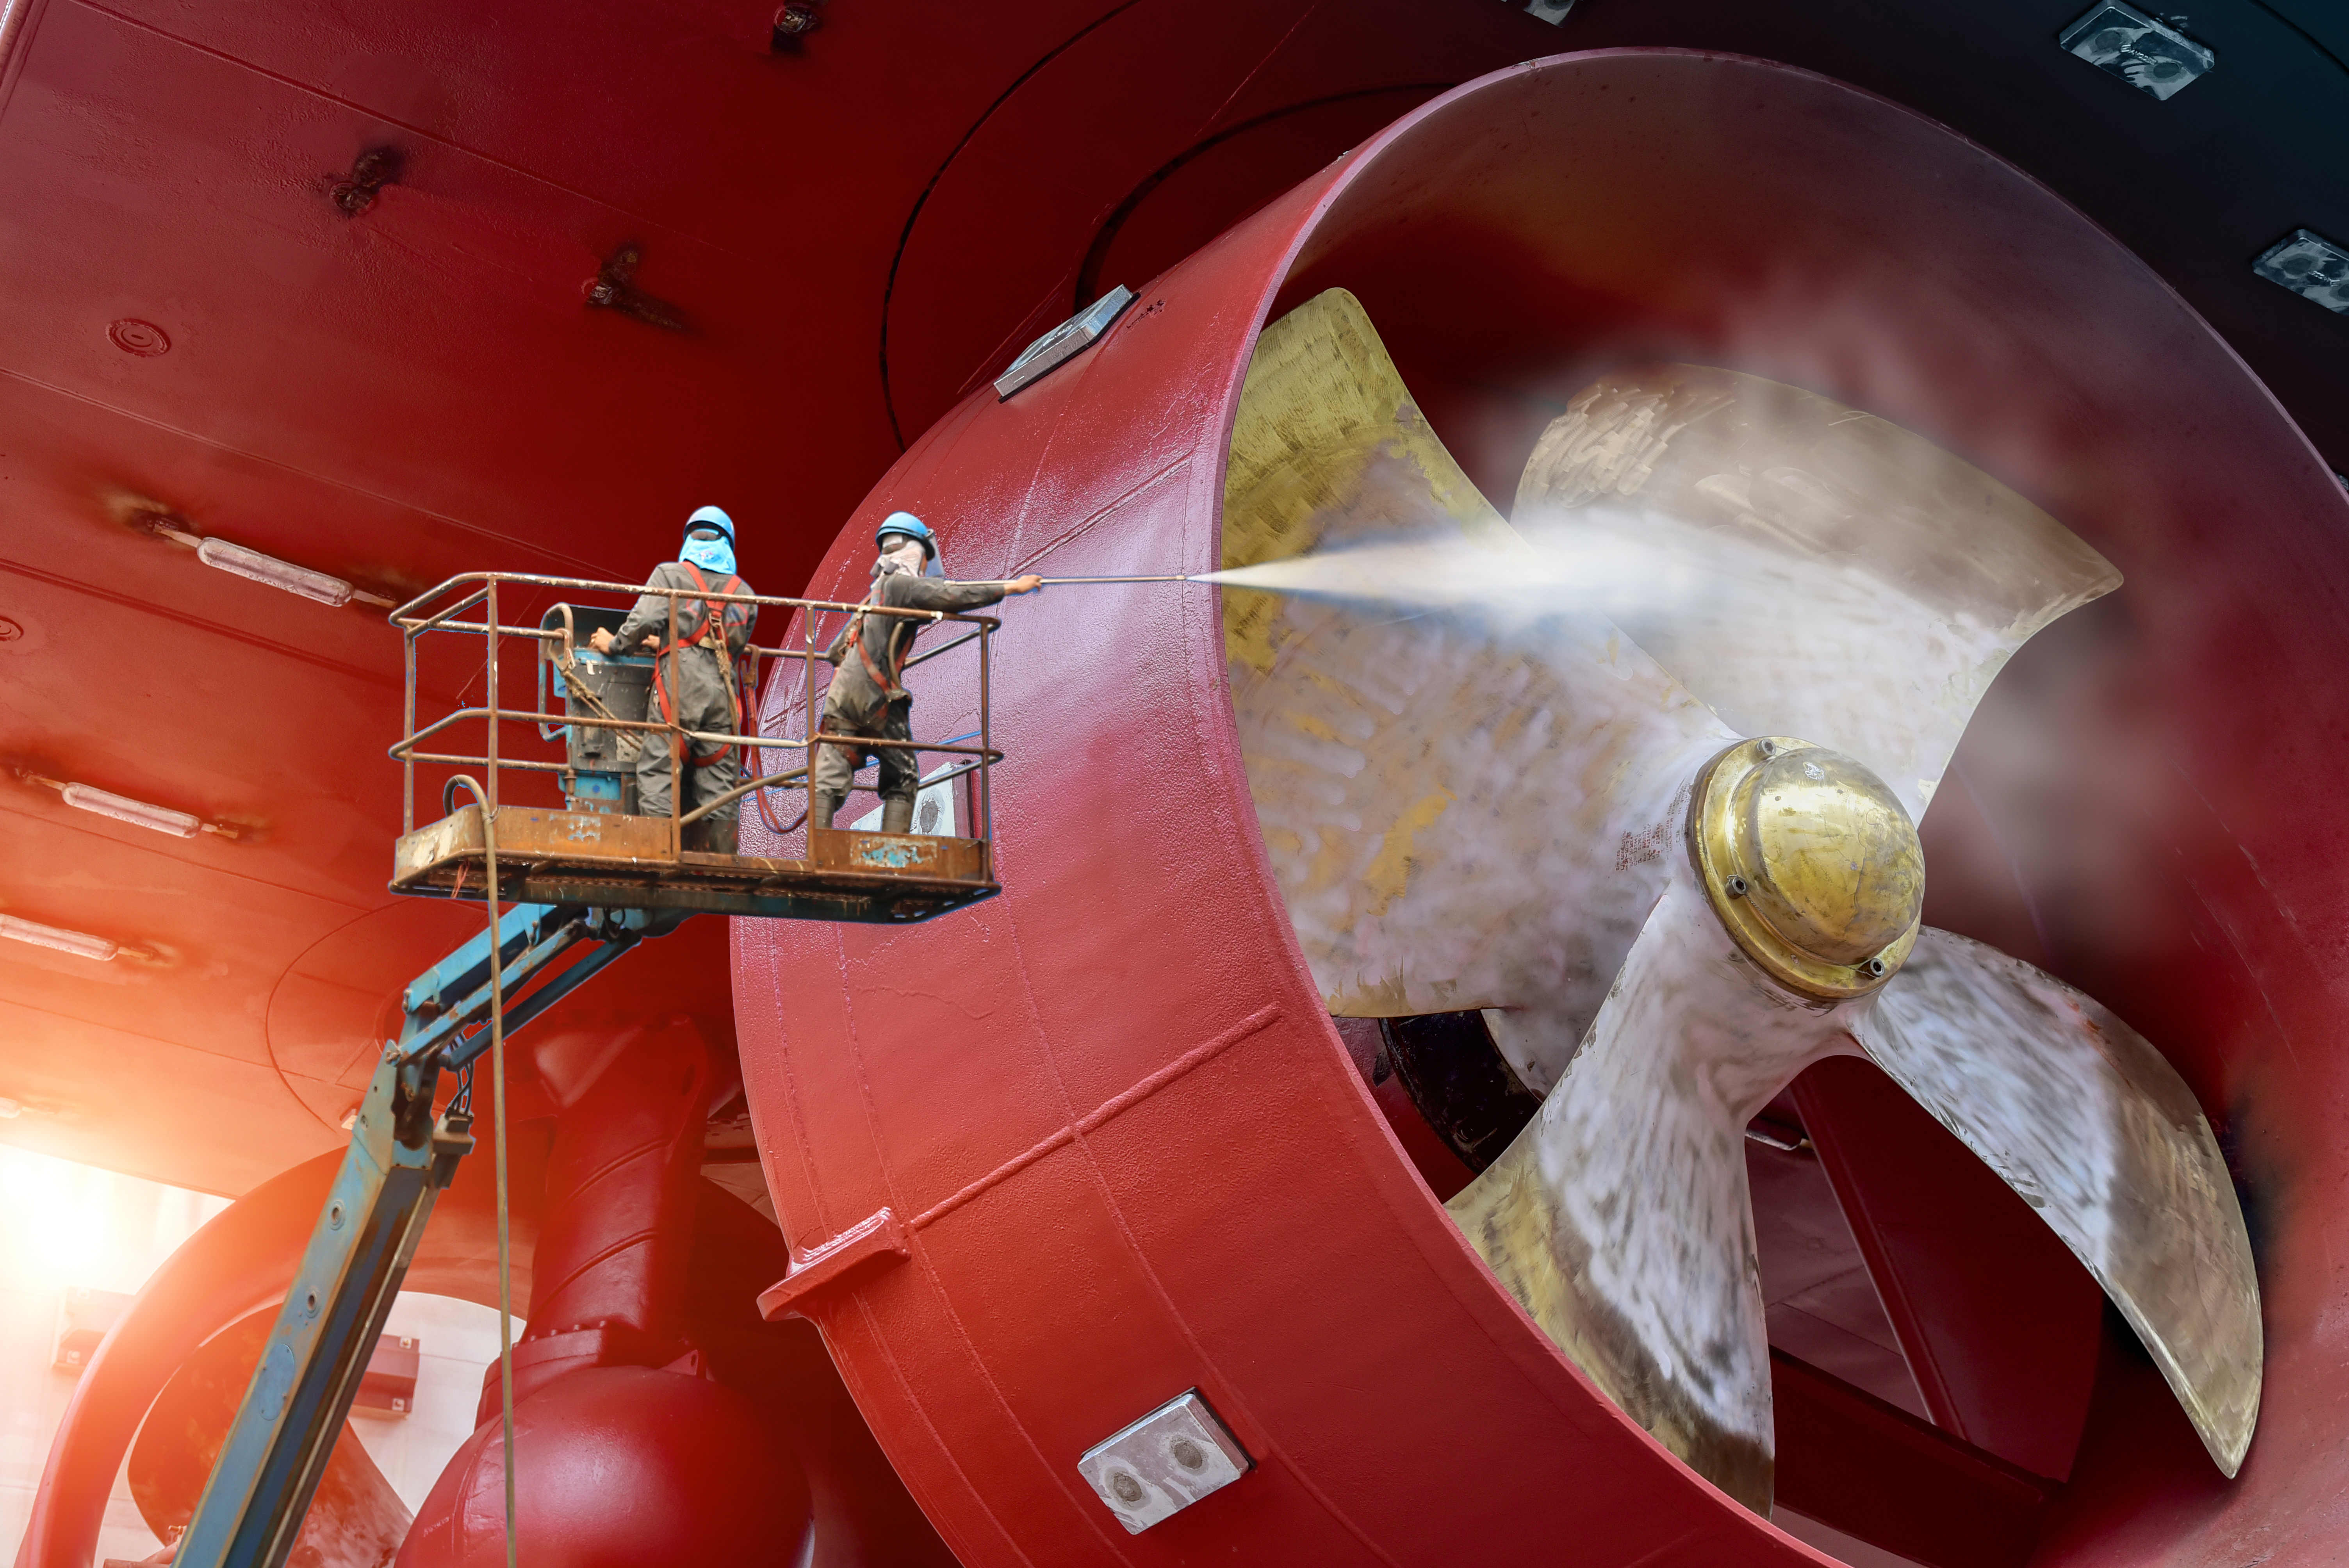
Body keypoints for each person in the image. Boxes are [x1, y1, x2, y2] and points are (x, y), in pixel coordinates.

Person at [814, 511, 1041, 833]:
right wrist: (1012, 587)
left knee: (833, 768)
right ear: (915, 551)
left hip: (840, 696)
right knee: (902, 774)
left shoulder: (872, 599)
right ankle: (893, 851)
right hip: (876, 694)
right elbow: (951, 595)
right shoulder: (902, 586)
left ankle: (818, 840)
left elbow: (834, 650)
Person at [591, 506, 757, 853]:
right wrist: (666, 642)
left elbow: (642, 621)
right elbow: (729, 647)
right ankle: (723, 860)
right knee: (720, 781)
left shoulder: (669, 575)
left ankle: (659, 852)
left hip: (681, 692)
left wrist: (616, 644)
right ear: (728, 543)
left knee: (659, 769)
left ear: (689, 539)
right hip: (724, 699)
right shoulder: (745, 594)